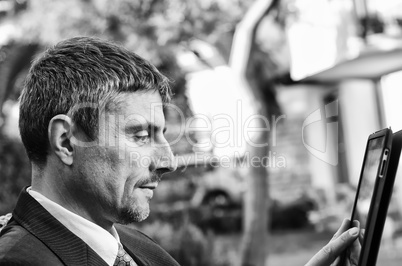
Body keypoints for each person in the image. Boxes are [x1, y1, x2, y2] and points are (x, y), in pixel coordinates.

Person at [0, 37, 360, 266]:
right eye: (140, 135)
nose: (168, 161)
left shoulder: (135, 248)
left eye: (162, 136)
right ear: (66, 141)